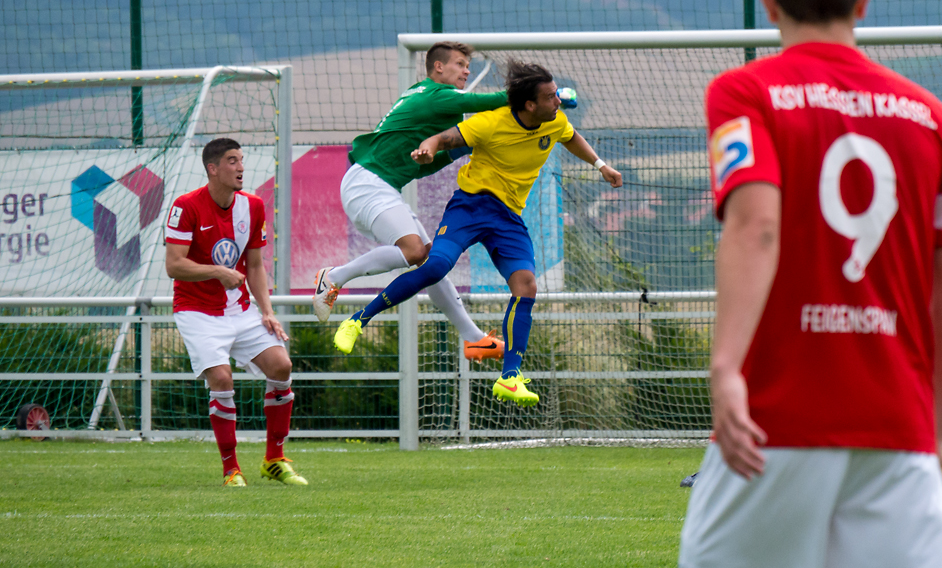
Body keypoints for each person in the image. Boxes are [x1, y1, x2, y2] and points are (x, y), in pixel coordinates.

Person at [678, 0, 942, 568]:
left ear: (769, 1)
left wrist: (726, 367)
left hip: (774, 421)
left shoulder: (744, 91)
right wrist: (930, 430)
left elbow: (757, 225)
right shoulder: (931, 118)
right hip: (897, 430)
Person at [332, 60, 622, 406]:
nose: (557, 101)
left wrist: (601, 166)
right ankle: (357, 320)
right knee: (435, 265)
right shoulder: (491, 122)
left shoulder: (554, 118)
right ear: (529, 105)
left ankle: (510, 377)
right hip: (470, 207)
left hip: (508, 217)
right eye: (550, 97)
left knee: (527, 285)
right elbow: (445, 137)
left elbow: (570, 137)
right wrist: (429, 147)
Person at [312, 41, 510, 361]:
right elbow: (493, 101)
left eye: (467, 65)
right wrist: (537, 95)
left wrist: (457, 148)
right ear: (439, 67)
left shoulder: (427, 96)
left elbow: (425, 164)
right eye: (460, 64)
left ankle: (473, 338)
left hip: (373, 184)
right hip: (369, 183)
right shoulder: (437, 95)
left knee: (430, 261)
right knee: (415, 250)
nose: (467, 70)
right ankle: (334, 277)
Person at [165, 138, 307, 487]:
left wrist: (267, 311)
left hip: (240, 310)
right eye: (232, 161)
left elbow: (255, 265)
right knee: (223, 379)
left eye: (241, 160)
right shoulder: (186, 207)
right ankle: (231, 469)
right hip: (197, 312)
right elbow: (174, 266)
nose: (241, 167)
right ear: (212, 169)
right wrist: (217, 271)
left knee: (281, 366)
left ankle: (274, 459)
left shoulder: (254, 206)